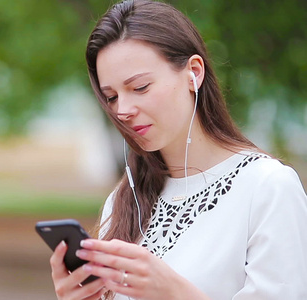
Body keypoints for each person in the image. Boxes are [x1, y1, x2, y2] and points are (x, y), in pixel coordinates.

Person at [48, 0, 307, 299]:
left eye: (140, 87)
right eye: (112, 97)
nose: (124, 110)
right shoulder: (122, 201)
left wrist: (176, 293)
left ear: (193, 73)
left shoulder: (267, 188)